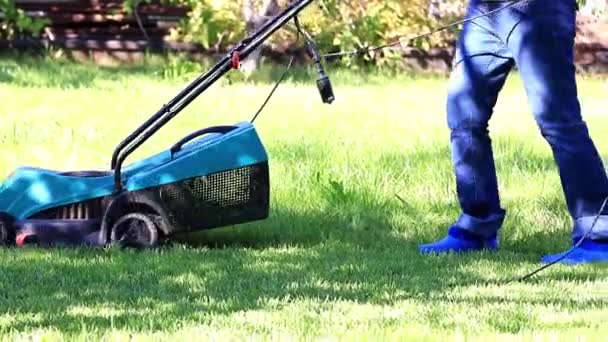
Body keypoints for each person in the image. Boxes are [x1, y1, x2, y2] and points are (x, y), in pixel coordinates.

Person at [418, 0, 608, 264]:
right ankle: (477, 223)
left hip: (539, 10)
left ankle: (598, 235)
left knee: (557, 120)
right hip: (485, 11)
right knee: (464, 115)